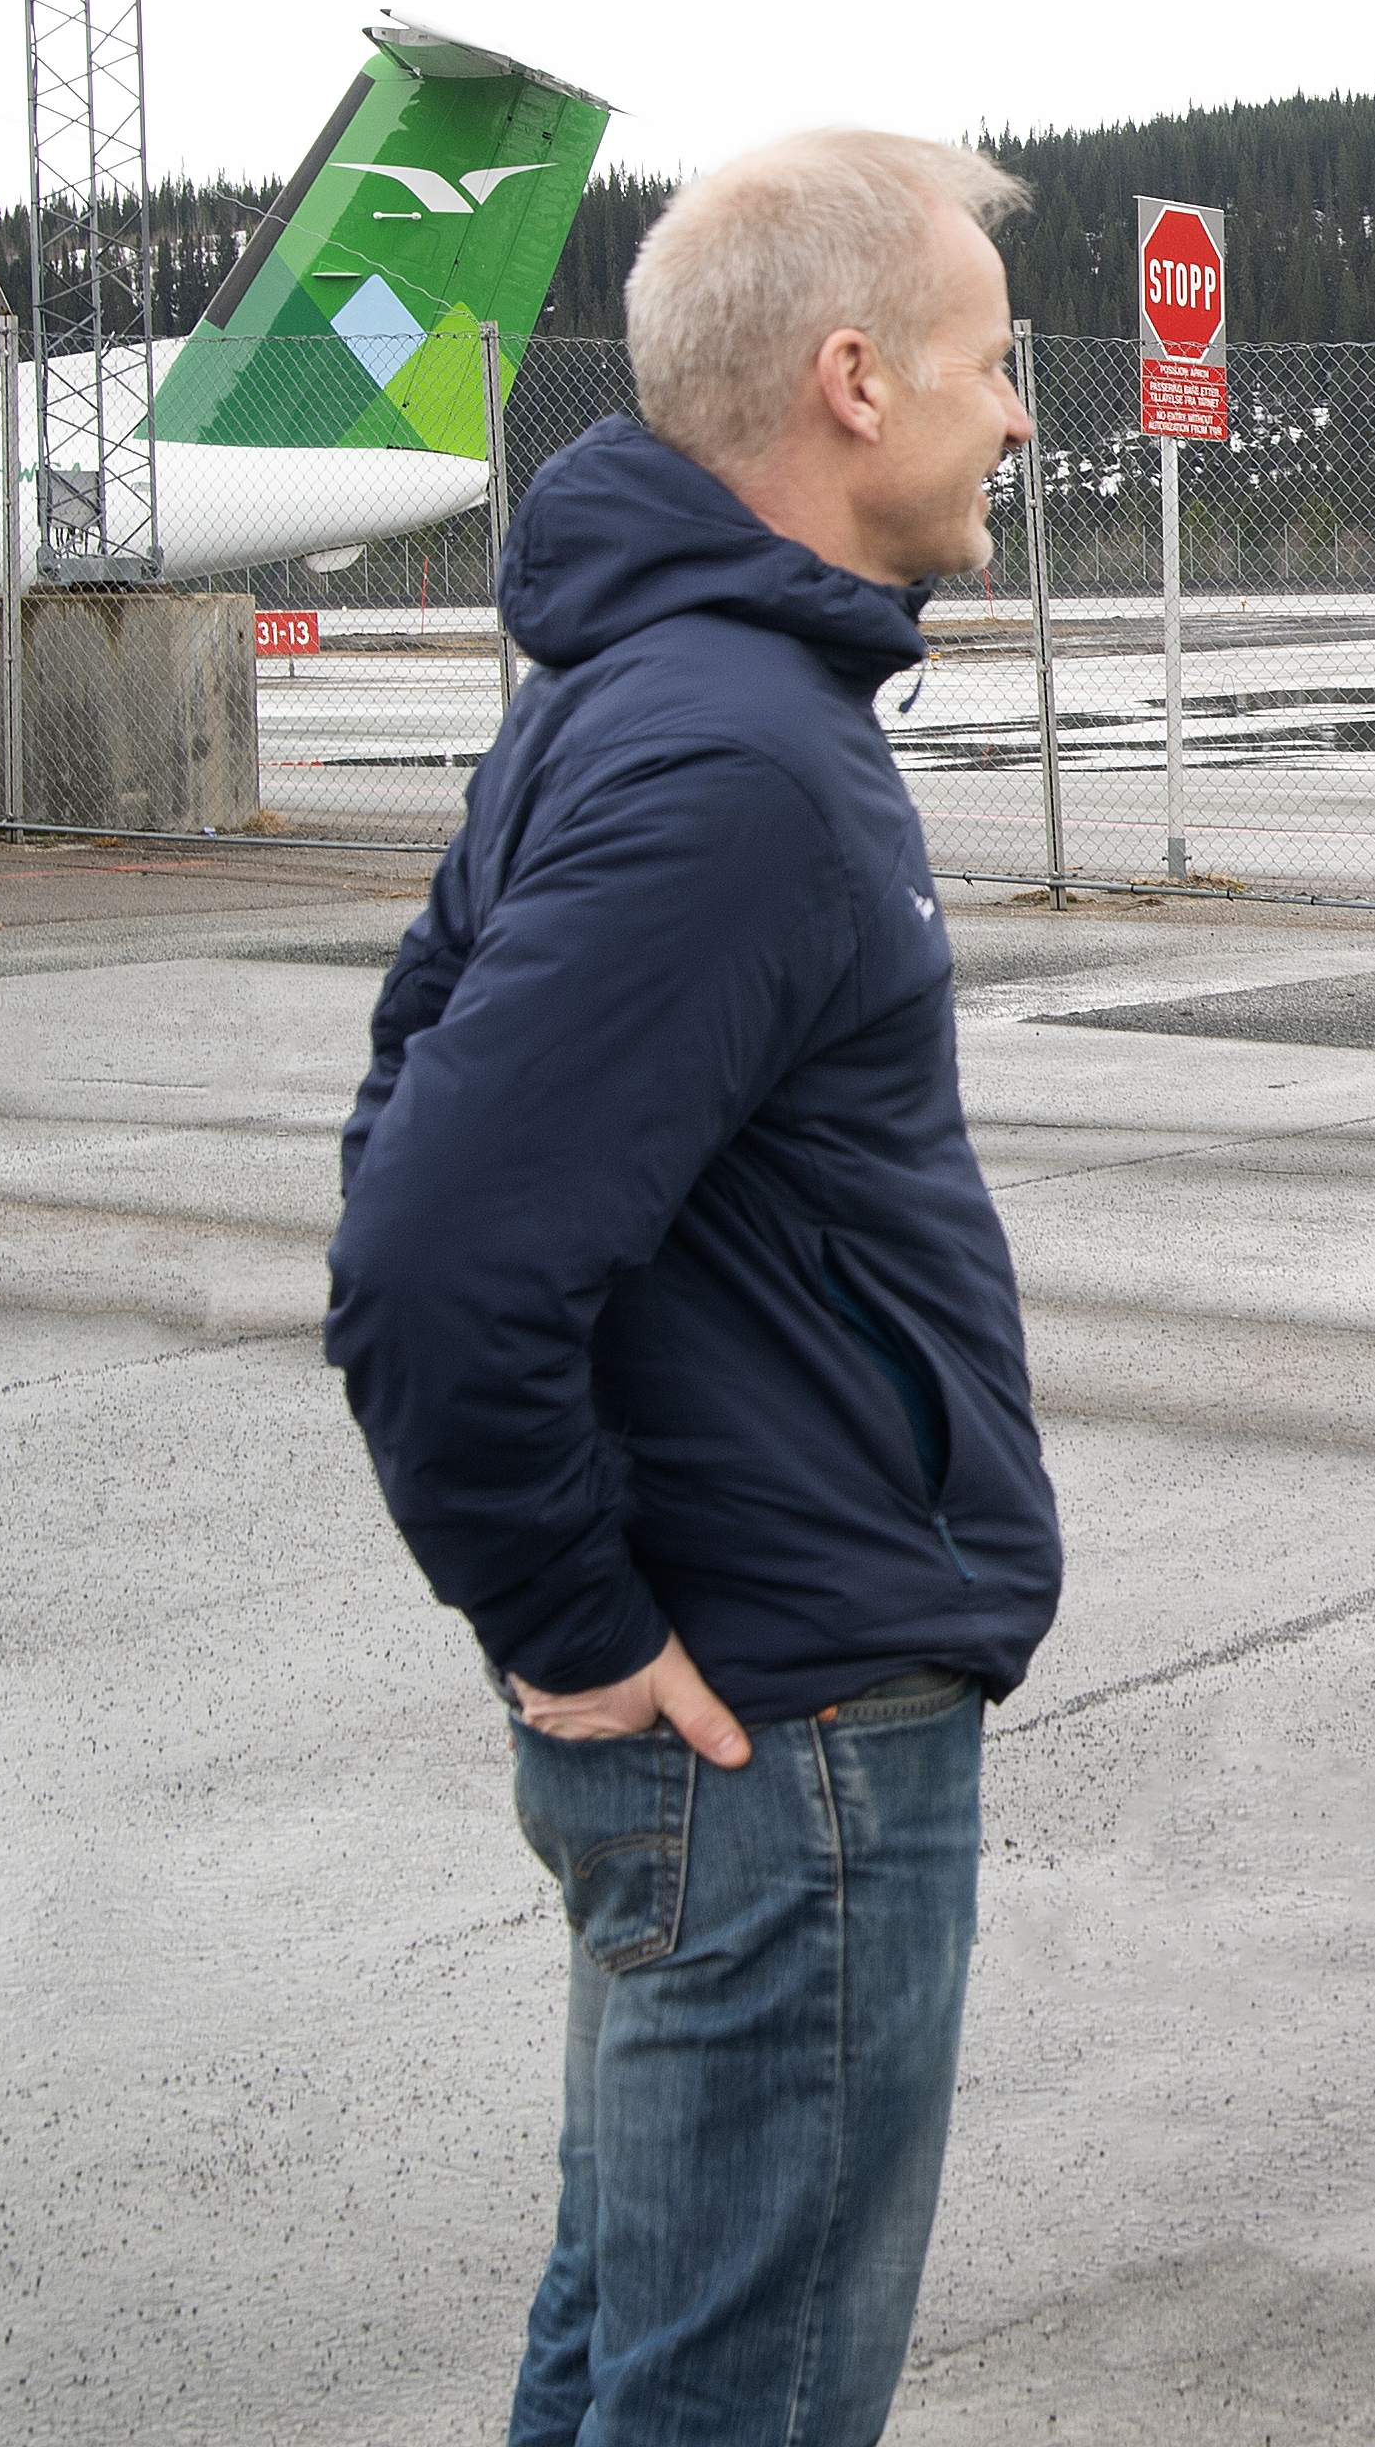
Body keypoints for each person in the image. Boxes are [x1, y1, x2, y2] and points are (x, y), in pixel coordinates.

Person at [325, 128, 1064, 2447]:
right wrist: (567, 1616)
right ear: (853, 379)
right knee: (725, 2398)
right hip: (786, 1732)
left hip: (752, 1711)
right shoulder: (735, 754)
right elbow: (434, 1248)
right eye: (990, 358)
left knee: (641, 2358)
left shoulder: (650, 701)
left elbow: (411, 1118)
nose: (1021, 411)